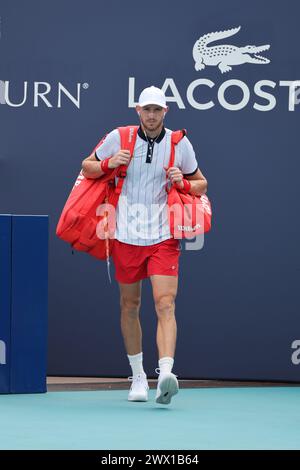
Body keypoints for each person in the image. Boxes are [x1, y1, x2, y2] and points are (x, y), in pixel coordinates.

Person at [81, 86, 208, 405]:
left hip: (163, 235)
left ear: (165, 112)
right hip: (125, 235)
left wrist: (182, 182)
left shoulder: (180, 144)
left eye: (157, 110)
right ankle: (138, 376)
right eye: (146, 110)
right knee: (130, 306)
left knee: (166, 302)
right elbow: (87, 168)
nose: (151, 115)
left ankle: (166, 373)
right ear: (138, 111)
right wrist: (110, 162)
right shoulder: (118, 137)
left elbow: (201, 184)